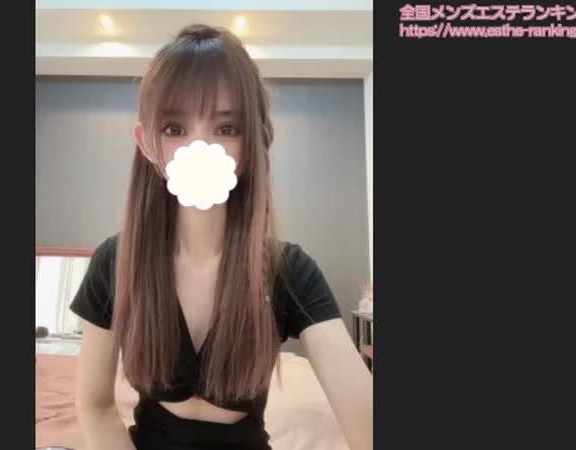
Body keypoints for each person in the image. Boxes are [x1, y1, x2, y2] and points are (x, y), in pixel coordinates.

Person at [70, 23, 372, 450]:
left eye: (226, 129)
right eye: (174, 129)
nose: (200, 148)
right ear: (146, 142)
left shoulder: (288, 270)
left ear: (253, 142)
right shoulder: (115, 262)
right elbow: (96, 405)